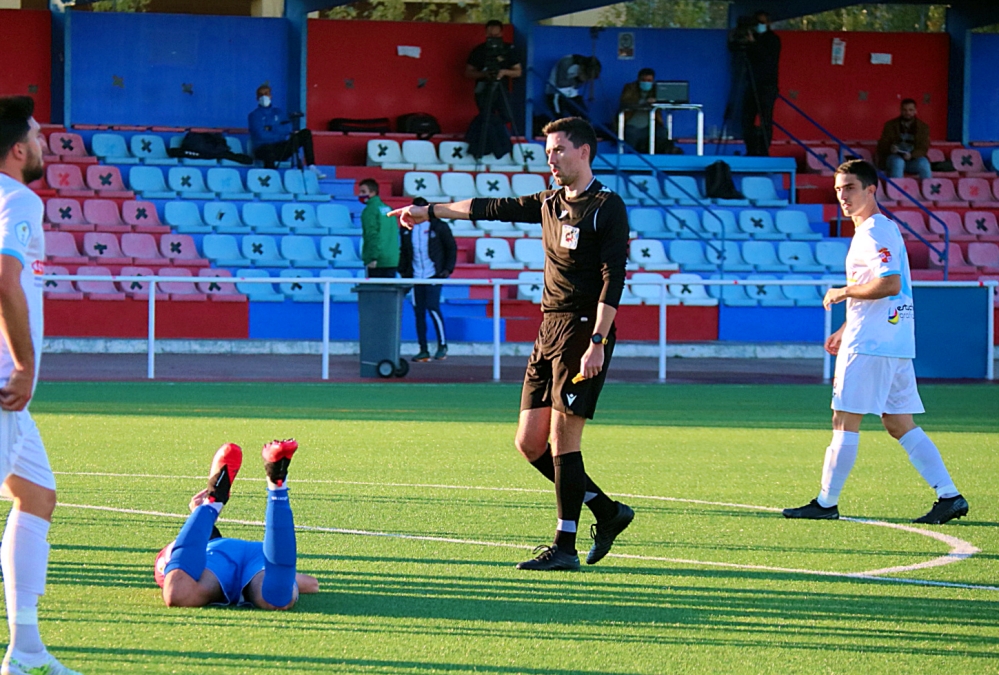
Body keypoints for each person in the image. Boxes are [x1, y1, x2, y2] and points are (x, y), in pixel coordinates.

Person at [389, 117, 635, 572]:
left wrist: (598, 340)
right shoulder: (548, 202)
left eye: (559, 150)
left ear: (584, 152)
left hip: (584, 330)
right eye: (547, 152)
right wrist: (430, 210)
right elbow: (489, 207)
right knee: (528, 444)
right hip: (549, 328)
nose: (551, 159)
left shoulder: (607, 206)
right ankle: (607, 510)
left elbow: (612, 279)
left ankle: (565, 546)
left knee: (564, 440)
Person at [783, 159, 968, 525]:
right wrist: (846, 325)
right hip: (891, 340)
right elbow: (883, 289)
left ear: (872, 189)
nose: (843, 196)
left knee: (843, 419)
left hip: (872, 344)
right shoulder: (880, 230)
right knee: (899, 422)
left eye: (850, 187)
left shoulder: (873, 232)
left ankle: (825, 503)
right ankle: (950, 496)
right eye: (838, 190)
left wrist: (843, 292)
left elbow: (890, 283)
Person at [0, 96, 83, 675]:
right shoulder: (19, 198)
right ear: (17, 149)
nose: (44, 139)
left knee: (37, 497)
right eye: (36, 132)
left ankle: (25, 648)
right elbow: (5, 275)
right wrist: (25, 365)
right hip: (4, 382)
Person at [155, 439, 320, 610]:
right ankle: (215, 503)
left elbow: (311, 584)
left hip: (217, 555)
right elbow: (312, 584)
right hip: (248, 556)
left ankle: (215, 503)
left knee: (178, 593)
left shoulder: (182, 562)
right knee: (276, 599)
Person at [399, 197, 457, 362]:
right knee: (418, 312)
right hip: (416, 277)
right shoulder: (406, 229)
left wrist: (447, 269)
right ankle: (423, 349)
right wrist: (404, 272)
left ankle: (442, 345)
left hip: (433, 275)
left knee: (432, 307)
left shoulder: (439, 226)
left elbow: (451, 247)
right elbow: (404, 251)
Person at [247, 84, 323, 176]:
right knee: (268, 151)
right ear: (257, 98)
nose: (264, 96)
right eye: (261, 94)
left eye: (266, 93)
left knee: (305, 133)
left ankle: (312, 167)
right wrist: (279, 132)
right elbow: (261, 135)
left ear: (271, 96)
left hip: (280, 147)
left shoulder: (279, 112)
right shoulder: (254, 115)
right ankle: (272, 179)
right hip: (263, 148)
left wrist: (271, 128)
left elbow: (288, 128)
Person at [741, 10, 781, 157]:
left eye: (763, 23)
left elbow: (765, 58)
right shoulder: (752, 38)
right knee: (747, 118)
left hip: (767, 86)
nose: (760, 26)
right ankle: (750, 149)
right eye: (758, 23)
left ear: (769, 23)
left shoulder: (773, 40)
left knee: (765, 119)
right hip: (752, 85)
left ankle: (764, 150)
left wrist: (753, 44)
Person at [465, 20, 522, 117]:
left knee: (505, 115)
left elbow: (518, 72)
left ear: (501, 33)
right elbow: (468, 72)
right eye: (490, 35)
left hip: (502, 88)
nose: (493, 38)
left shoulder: (508, 49)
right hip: (484, 88)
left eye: (496, 35)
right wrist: (484, 74)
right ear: (486, 33)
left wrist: (503, 72)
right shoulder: (479, 50)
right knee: (486, 116)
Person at [619, 67, 670, 154]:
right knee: (631, 139)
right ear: (638, 79)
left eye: (649, 80)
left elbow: (666, 101)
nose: (646, 82)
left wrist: (656, 101)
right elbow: (624, 102)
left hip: (652, 125)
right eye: (643, 80)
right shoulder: (630, 88)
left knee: (662, 132)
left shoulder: (657, 89)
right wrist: (644, 102)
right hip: (633, 125)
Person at [876, 99, 932, 180]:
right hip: (893, 158)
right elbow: (881, 145)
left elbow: (923, 148)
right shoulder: (890, 125)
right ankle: (896, 191)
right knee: (898, 162)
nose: (908, 113)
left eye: (910, 110)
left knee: (924, 163)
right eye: (905, 110)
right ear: (901, 110)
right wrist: (890, 148)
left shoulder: (923, 127)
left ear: (915, 111)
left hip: (912, 160)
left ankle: (928, 190)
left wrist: (911, 155)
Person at [358, 179, 400, 279]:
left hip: (378, 261)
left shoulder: (370, 211)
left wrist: (373, 257)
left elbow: (372, 235)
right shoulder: (389, 209)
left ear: (373, 192)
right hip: (392, 259)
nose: (360, 194)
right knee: (389, 293)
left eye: (363, 192)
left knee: (375, 293)